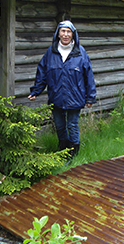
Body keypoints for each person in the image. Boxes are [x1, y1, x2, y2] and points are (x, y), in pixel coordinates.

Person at [28, 20, 96, 157]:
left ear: (73, 34)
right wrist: (36, 90)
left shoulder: (80, 53)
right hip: (56, 96)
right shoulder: (51, 52)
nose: (65, 34)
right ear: (58, 33)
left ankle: (73, 154)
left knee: (72, 125)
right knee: (59, 125)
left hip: (75, 96)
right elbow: (42, 73)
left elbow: (89, 76)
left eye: (68, 31)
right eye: (63, 31)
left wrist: (90, 97)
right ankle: (61, 151)